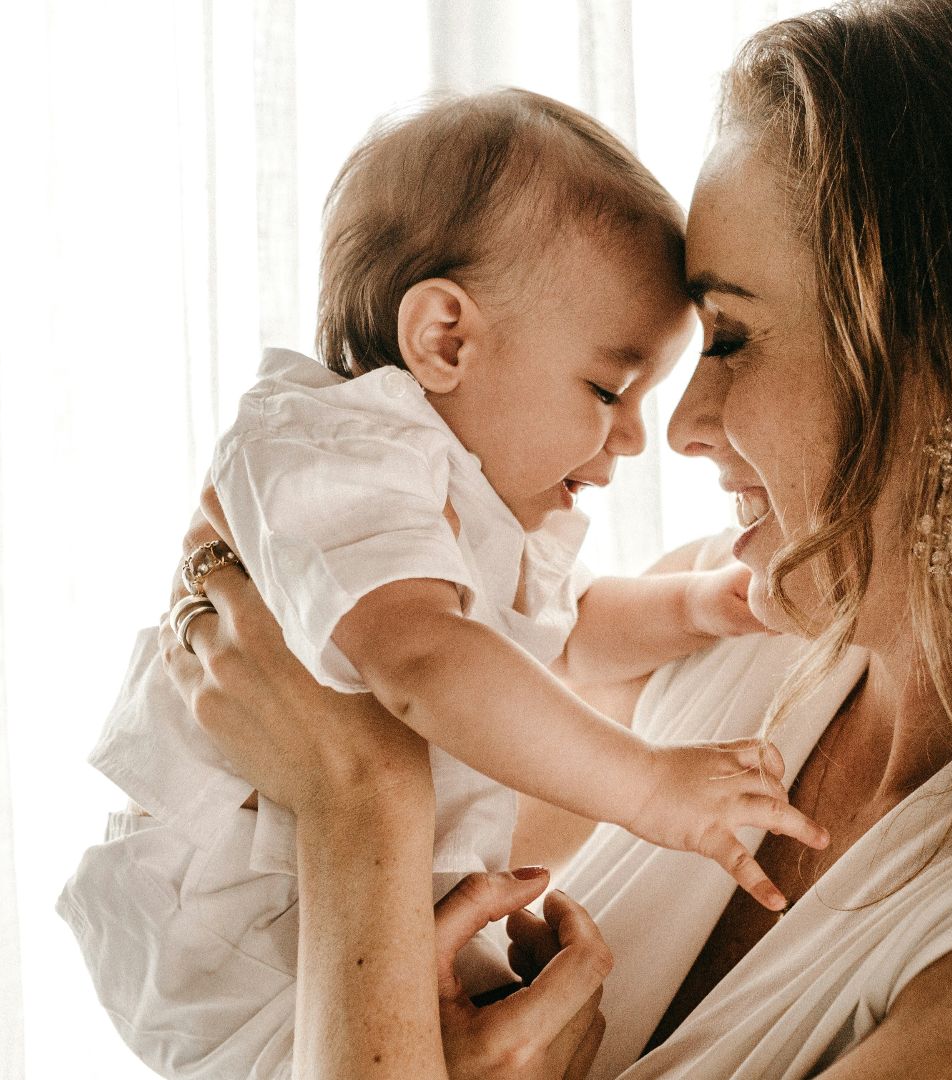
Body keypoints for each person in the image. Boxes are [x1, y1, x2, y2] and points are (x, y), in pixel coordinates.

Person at [60, 1, 952, 1077]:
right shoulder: (707, 660)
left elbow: (375, 865)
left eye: (726, 337)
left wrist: (358, 800)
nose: (679, 428)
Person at [81, 85, 827, 1001]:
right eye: (607, 390)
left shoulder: (462, 492)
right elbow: (427, 658)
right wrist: (648, 787)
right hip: (238, 929)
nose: (639, 436)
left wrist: (692, 606)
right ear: (444, 340)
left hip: (337, 905)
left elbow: (565, 626)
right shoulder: (333, 449)